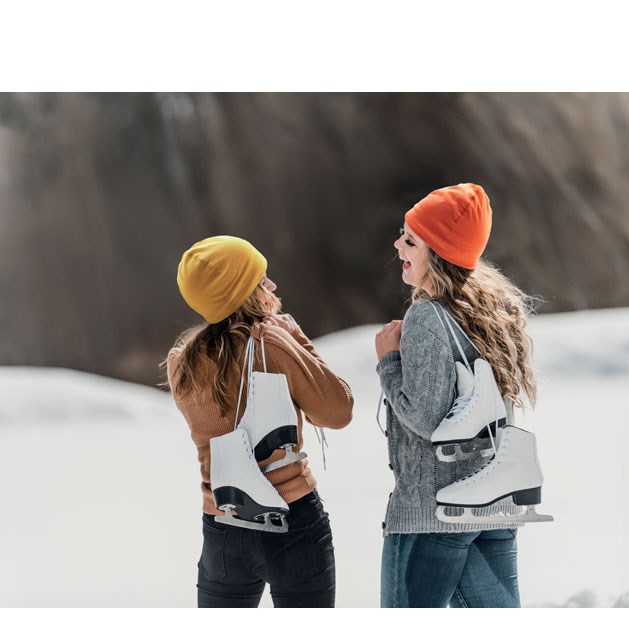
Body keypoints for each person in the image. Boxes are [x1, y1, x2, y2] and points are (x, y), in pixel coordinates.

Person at [165, 235, 353, 608]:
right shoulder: (272, 344)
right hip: (292, 521)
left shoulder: (180, 363)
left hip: (222, 526)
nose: (273, 286)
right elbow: (337, 411)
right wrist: (298, 339)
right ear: (244, 292)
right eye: (262, 279)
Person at [375, 183, 538, 608]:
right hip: (492, 505)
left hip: (432, 512)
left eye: (411, 241)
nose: (398, 245)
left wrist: (388, 361)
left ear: (440, 254)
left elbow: (425, 419)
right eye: (402, 234)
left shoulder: (427, 316)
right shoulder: (495, 310)